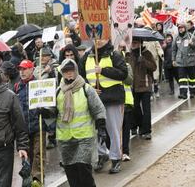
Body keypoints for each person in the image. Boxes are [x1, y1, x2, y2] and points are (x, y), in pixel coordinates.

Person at [55, 59, 107, 187]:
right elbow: (52, 113)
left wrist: (101, 128)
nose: (69, 74)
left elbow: (98, 108)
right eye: (66, 71)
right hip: (65, 138)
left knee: (83, 169)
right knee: (71, 172)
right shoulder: (57, 91)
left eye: (71, 71)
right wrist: (45, 112)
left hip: (84, 137)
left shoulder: (86, 88)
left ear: (76, 71)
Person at [79, 39, 128, 174]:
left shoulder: (115, 55)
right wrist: (90, 89)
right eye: (96, 38)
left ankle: (116, 158)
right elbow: (81, 77)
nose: (98, 40)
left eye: (101, 37)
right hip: (95, 99)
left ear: (107, 38)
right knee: (96, 130)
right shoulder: (87, 56)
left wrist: (103, 71)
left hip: (113, 98)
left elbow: (123, 74)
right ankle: (102, 155)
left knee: (114, 130)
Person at [14, 60, 48, 186]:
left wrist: (44, 110)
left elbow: (49, 103)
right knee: (27, 155)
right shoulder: (17, 86)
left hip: (38, 125)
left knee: (39, 153)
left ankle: (37, 180)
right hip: (23, 127)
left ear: (32, 69)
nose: (22, 72)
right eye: (20, 69)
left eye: (25, 69)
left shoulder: (39, 84)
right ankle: (28, 178)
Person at [127, 39, 157, 139]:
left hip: (145, 85)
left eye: (135, 43)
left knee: (146, 109)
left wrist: (144, 61)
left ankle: (147, 131)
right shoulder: (129, 54)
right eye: (132, 43)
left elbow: (154, 67)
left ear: (140, 43)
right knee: (135, 108)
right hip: (133, 86)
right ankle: (139, 125)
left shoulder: (146, 53)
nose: (133, 44)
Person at [172, 23, 195, 99]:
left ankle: (192, 92)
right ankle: (183, 93)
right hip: (180, 62)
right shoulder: (176, 38)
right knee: (182, 78)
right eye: (179, 28)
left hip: (190, 61)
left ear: (185, 28)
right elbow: (174, 50)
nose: (180, 29)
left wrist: (192, 44)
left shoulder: (191, 36)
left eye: (182, 28)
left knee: (192, 78)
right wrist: (173, 59)